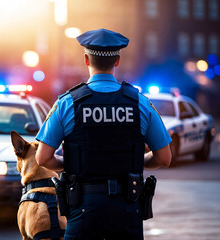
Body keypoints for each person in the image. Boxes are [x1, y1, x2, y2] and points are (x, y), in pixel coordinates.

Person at [35, 28, 172, 240]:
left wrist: (72, 163)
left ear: (86, 60)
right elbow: (164, 158)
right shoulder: (140, 103)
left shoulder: (67, 103)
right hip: (127, 207)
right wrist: (133, 159)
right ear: (117, 61)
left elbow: (42, 157)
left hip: (83, 206)